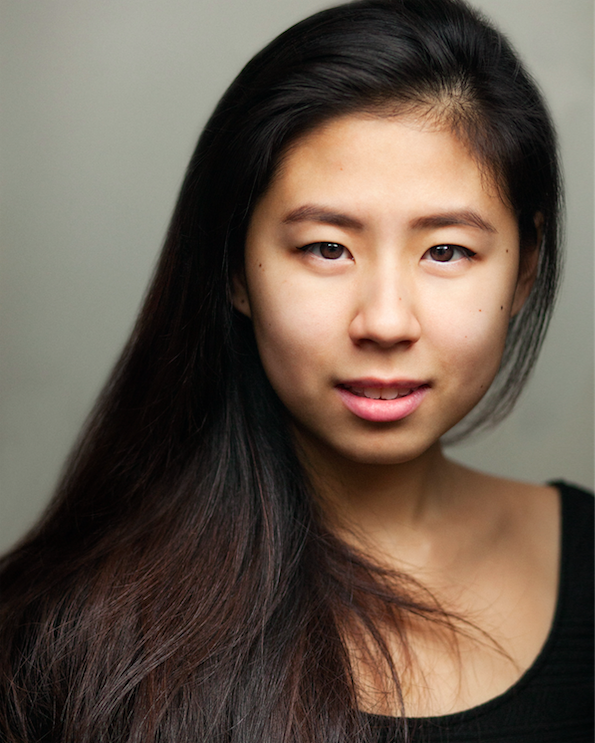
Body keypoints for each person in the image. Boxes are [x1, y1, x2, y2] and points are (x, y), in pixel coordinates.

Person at [0, 0, 592, 741]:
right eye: (325, 248)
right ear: (235, 271)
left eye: (445, 251)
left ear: (524, 270)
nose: (383, 321)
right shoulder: (63, 633)